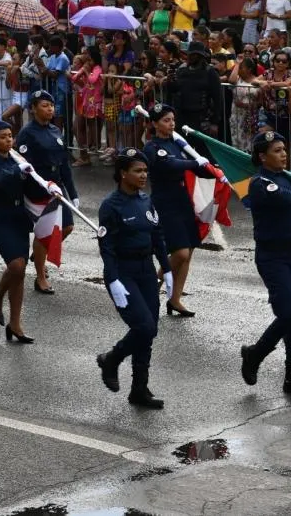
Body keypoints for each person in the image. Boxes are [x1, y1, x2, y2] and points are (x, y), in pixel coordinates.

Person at [239, 131, 291, 399]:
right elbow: (284, 199)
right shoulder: (259, 183)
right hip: (272, 258)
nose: (284, 154)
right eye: (276, 150)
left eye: (284, 149)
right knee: (290, 315)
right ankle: (256, 353)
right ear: (262, 156)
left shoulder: (289, 179)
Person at [95, 148, 172, 409]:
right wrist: (114, 280)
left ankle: (139, 389)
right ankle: (112, 359)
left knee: (149, 331)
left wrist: (167, 268)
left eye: (145, 171)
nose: (143, 175)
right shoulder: (111, 205)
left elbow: (157, 235)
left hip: (145, 270)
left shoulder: (145, 200)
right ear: (122, 173)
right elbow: (106, 246)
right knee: (144, 327)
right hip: (123, 272)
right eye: (137, 171)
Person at [143, 103, 216, 317]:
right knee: (180, 251)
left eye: (172, 120)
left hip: (183, 199)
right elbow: (170, 165)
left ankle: (175, 299)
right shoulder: (152, 147)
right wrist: (195, 163)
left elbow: (196, 168)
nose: (171, 123)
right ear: (155, 124)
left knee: (188, 252)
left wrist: (214, 170)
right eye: (166, 120)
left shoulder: (179, 144)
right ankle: (155, 282)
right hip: (165, 202)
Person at [17, 90, 77, 294]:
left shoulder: (55, 130)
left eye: (51, 105)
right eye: (44, 105)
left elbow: (64, 164)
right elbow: (25, 166)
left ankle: (40, 253)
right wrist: (39, 185)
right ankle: (40, 276)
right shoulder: (27, 133)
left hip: (57, 188)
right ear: (33, 109)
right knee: (45, 234)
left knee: (68, 227)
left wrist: (73, 193)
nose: (49, 109)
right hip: (39, 190)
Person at [0, 120, 35, 343]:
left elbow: (30, 184)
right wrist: (18, 171)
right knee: (16, 265)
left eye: (10, 136)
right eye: (3, 137)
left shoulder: (17, 159)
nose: (8, 140)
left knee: (19, 272)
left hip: (18, 217)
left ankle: (15, 324)